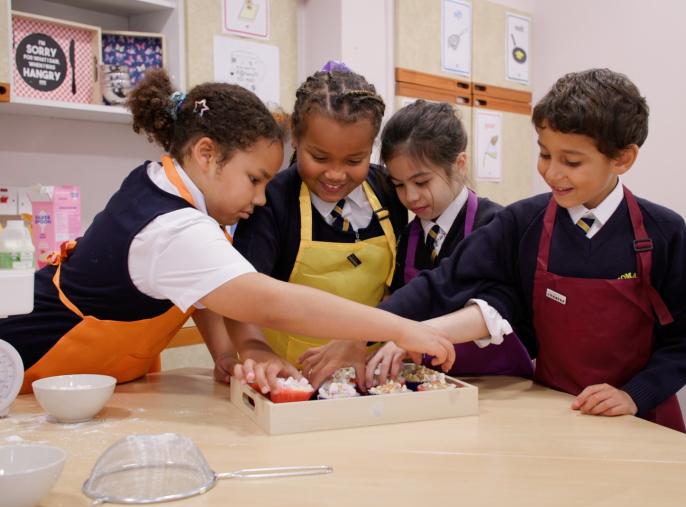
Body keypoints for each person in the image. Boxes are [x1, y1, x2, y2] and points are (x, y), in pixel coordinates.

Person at [0, 69, 454, 394]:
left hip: (89, 376)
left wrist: (225, 354)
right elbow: (269, 300)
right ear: (206, 154)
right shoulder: (172, 226)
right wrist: (401, 328)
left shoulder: (162, 186)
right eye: (255, 179)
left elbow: (200, 286)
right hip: (24, 361)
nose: (260, 197)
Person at [376, 69, 686, 432]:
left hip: (642, 420)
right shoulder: (523, 222)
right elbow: (443, 281)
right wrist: (369, 330)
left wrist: (634, 394)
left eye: (571, 162)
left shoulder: (663, 231)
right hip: (556, 415)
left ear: (622, 159)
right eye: (544, 154)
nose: (551, 173)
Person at [230, 61, 409, 389]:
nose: (336, 174)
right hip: (290, 378)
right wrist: (257, 352)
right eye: (321, 158)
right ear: (295, 139)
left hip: (371, 373)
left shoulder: (388, 191)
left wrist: (360, 337)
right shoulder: (272, 200)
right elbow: (240, 298)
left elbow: (401, 287)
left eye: (355, 161)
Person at [364, 100, 533, 388]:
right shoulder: (407, 236)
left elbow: (498, 308)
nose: (411, 197)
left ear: (459, 164)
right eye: (399, 185)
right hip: (431, 380)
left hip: (496, 382)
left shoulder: (495, 224)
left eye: (422, 181)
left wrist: (409, 333)